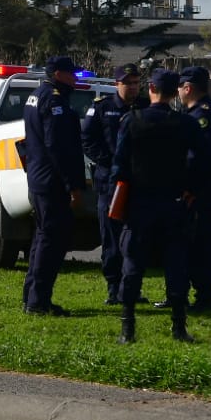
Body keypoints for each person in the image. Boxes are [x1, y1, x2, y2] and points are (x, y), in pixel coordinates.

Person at [107, 68, 211, 344]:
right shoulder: (186, 124)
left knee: (133, 264)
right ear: (172, 92)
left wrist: (117, 197)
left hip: (139, 204)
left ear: (151, 89)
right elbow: (205, 160)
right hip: (174, 203)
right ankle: (178, 328)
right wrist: (192, 190)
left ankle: (127, 329)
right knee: (175, 264)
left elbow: (119, 166)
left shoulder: (132, 120)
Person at [21, 56, 87, 316]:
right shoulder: (54, 99)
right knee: (52, 242)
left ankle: (32, 297)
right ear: (58, 74)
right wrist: (72, 185)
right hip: (52, 181)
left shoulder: (36, 95)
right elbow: (58, 147)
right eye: (72, 74)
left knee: (41, 238)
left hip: (39, 178)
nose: (75, 78)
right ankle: (38, 301)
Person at [155, 65, 211, 312]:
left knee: (198, 246)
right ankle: (178, 294)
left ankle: (204, 297)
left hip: (198, 192)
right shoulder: (195, 113)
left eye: (180, 89)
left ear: (187, 88)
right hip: (195, 190)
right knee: (185, 245)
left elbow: (200, 158)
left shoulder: (201, 115)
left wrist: (190, 188)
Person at [81, 64, 143, 305]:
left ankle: (133, 287)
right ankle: (113, 286)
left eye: (136, 82)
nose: (133, 87)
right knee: (111, 238)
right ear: (118, 84)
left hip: (139, 182)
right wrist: (110, 161)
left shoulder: (145, 107)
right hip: (110, 183)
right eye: (128, 83)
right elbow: (87, 139)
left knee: (136, 238)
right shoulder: (102, 108)